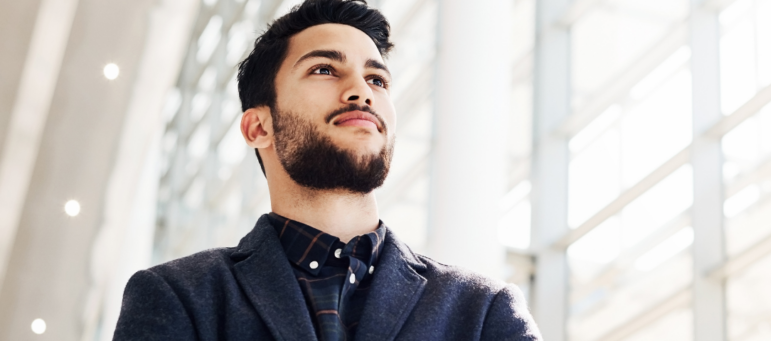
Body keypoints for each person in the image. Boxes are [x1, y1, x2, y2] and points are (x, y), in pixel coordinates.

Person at [112, 0, 540, 339]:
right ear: (259, 126)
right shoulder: (180, 298)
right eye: (324, 69)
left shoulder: (483, 311)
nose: (361, 92)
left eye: (377, 80)